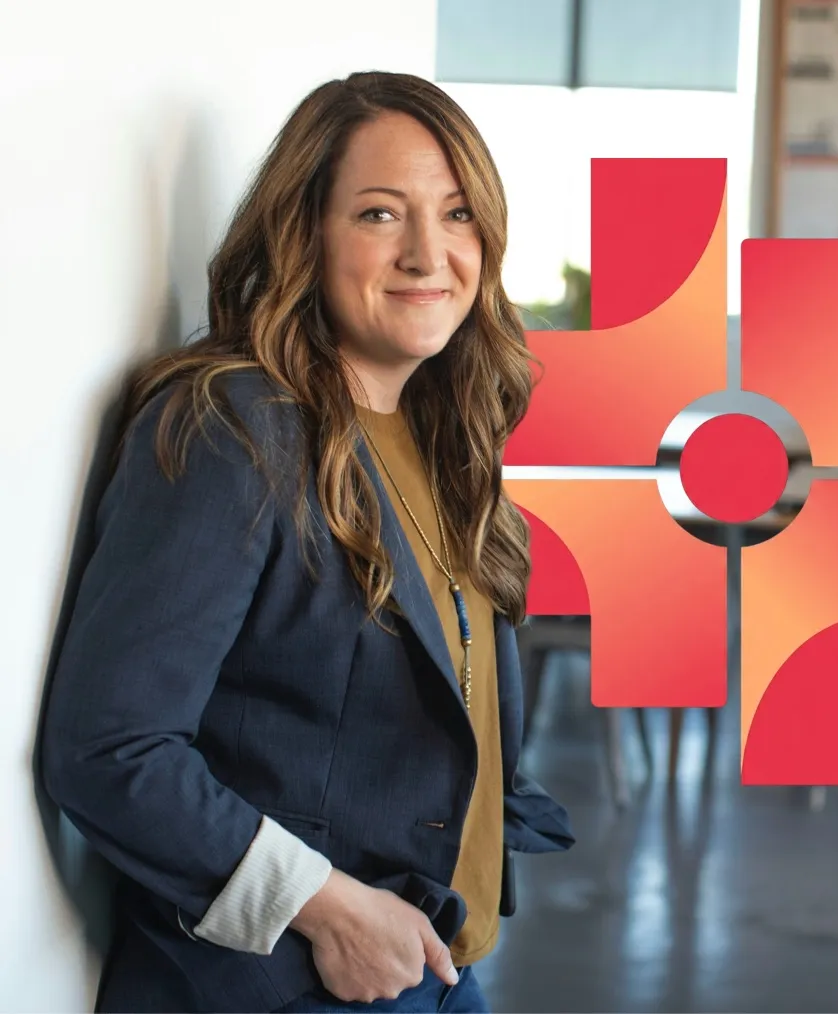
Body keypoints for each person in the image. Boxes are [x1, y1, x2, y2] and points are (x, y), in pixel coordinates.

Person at [40, 71, 574, 1014]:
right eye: (379, 214)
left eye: (456, 214)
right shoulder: (233, 428)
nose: (427, 252)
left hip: (434, 967)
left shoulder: (443, 436)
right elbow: (110, 746)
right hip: (293, 981)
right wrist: (325, 908)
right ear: (306, 234)